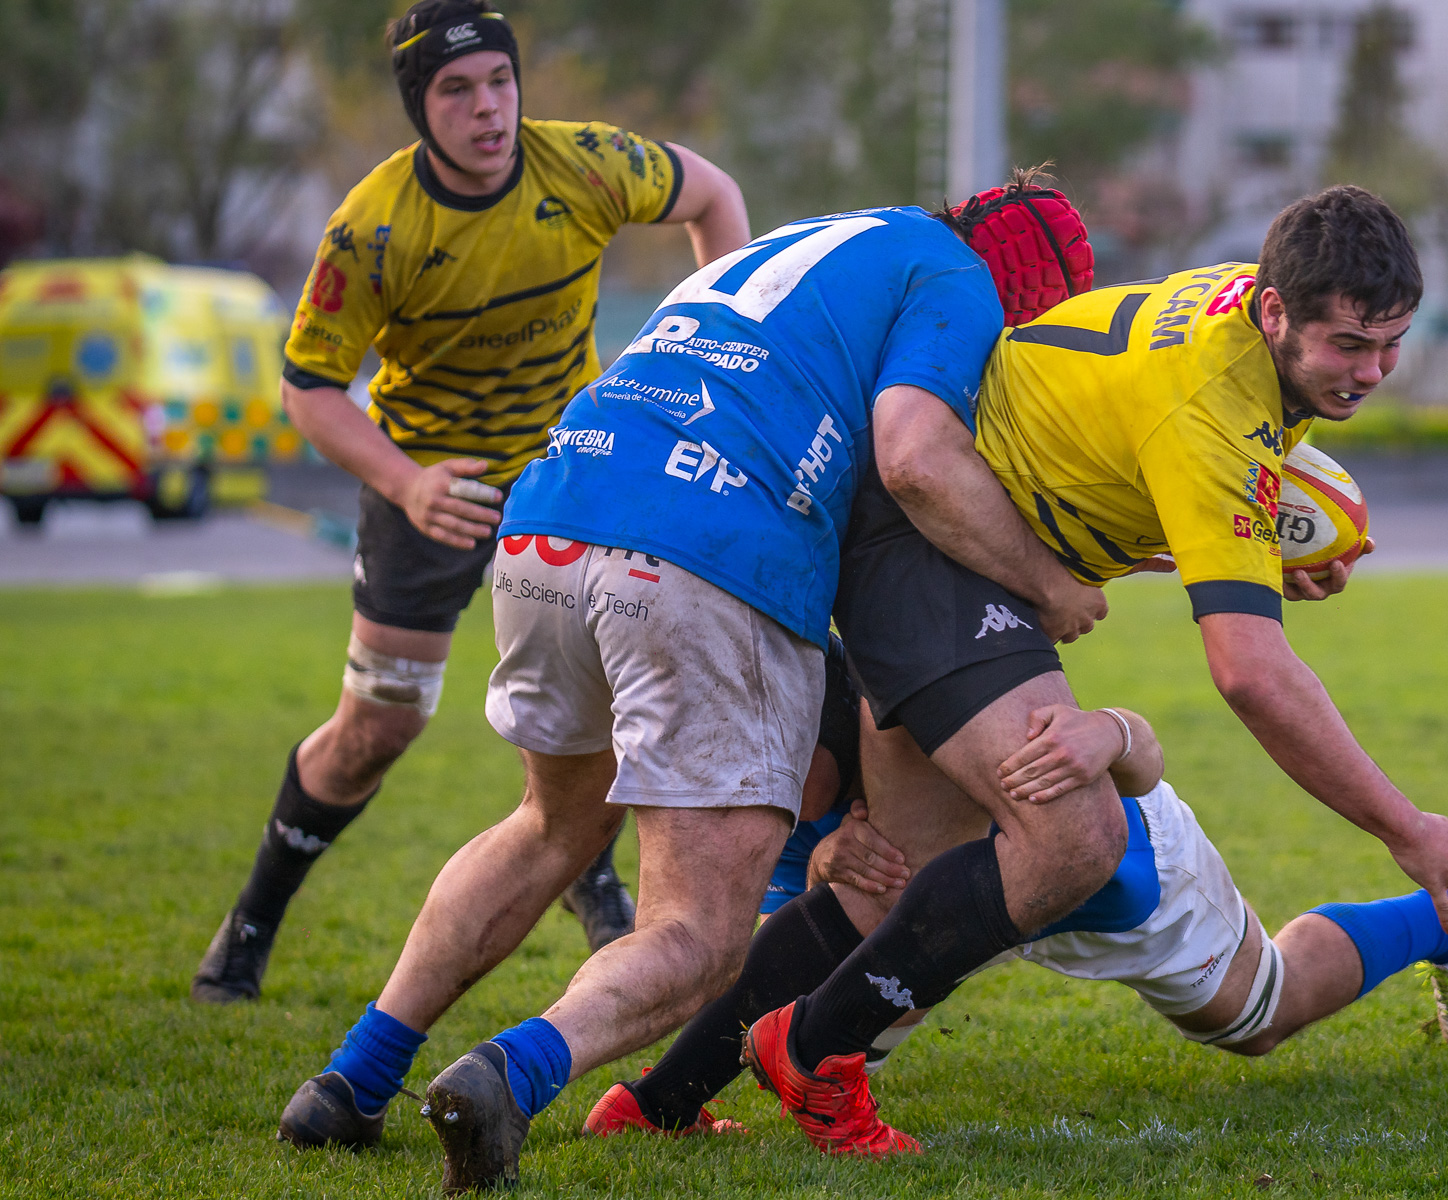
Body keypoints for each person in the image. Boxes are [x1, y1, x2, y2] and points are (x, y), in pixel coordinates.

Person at [273, 177, 1104, 1195]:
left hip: (552, 521)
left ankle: (352, 1082)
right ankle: (510, 1074)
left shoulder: (819, 241)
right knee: (700, 936)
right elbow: (918, 456)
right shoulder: (964, 282)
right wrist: (1046, 584)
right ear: (1032, 290)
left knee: (548, 825)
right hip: (701, 552)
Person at [732, 185, 1448, 1157]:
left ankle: (1444, 923)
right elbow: (1237, 648)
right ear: (1272, 308)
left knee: (1254, 1009)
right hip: (1006, 812)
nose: (1374, 372)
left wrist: (1235, 556)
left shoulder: (1242, 345)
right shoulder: (1211, 403)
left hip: (1064, 832)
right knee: (862, 951)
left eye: (1390, 344)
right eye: (1352, 346)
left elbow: (1221, 641)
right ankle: (700, 1089)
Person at [190, 0, 750, 1005]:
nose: (487, 107)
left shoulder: (583, 162)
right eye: (456, 90)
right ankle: (251, 922)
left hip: (565, 474)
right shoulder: (372, 227)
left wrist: (718, 341)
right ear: (420, 106)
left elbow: (713, 194)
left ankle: (595, 878)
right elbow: (309, 389)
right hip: (429, 488)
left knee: (615, 690)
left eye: (499, 79)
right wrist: (406, 484)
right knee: (379, 727)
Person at [588, 702, 1448, 1139]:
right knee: (829, 1022)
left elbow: (1136, 754)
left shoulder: (898, 712)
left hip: (1114, 873)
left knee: (1257, 1014)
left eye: (779, 776)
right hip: (952, 911)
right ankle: (658, 1107)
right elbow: (785, 959)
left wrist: (1110, 730)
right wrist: (824, 860)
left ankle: (1447, 924)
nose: (763, 795)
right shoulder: (776, 800)